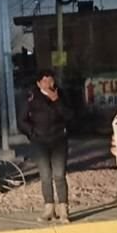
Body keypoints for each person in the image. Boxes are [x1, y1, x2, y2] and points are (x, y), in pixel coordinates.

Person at [19, 69, 73, 223]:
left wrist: (57, 101)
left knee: (59, 174)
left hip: (59, 140)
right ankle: (48, 208)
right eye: (44, 81)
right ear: (38, 83)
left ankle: (63, 208)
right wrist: (32, 133)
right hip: (40, 141)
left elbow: (70, 115)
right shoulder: (31, 97)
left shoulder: (61, 95)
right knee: (45, 175)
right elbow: (22, 120)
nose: (48, 83)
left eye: (50, 80)